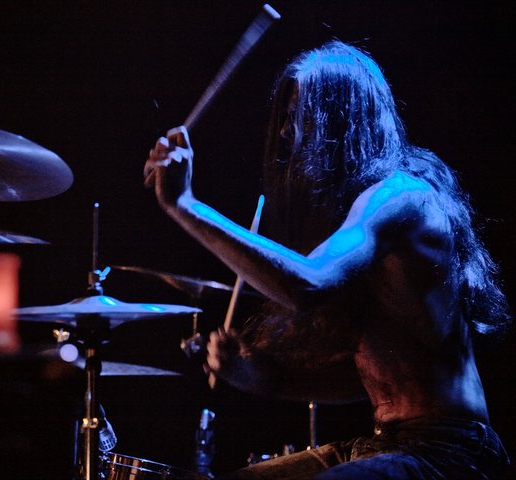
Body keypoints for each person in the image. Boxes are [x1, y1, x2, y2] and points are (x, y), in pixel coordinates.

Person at [143, 40, 511, 479]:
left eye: (298, 116)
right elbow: (375, 377)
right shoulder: (363, 210)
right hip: (391, 443)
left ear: (339, 121)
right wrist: (265, 379)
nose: (286, 133)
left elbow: (308, 283)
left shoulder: (400, 196)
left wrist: (186, 205)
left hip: (451, 451)